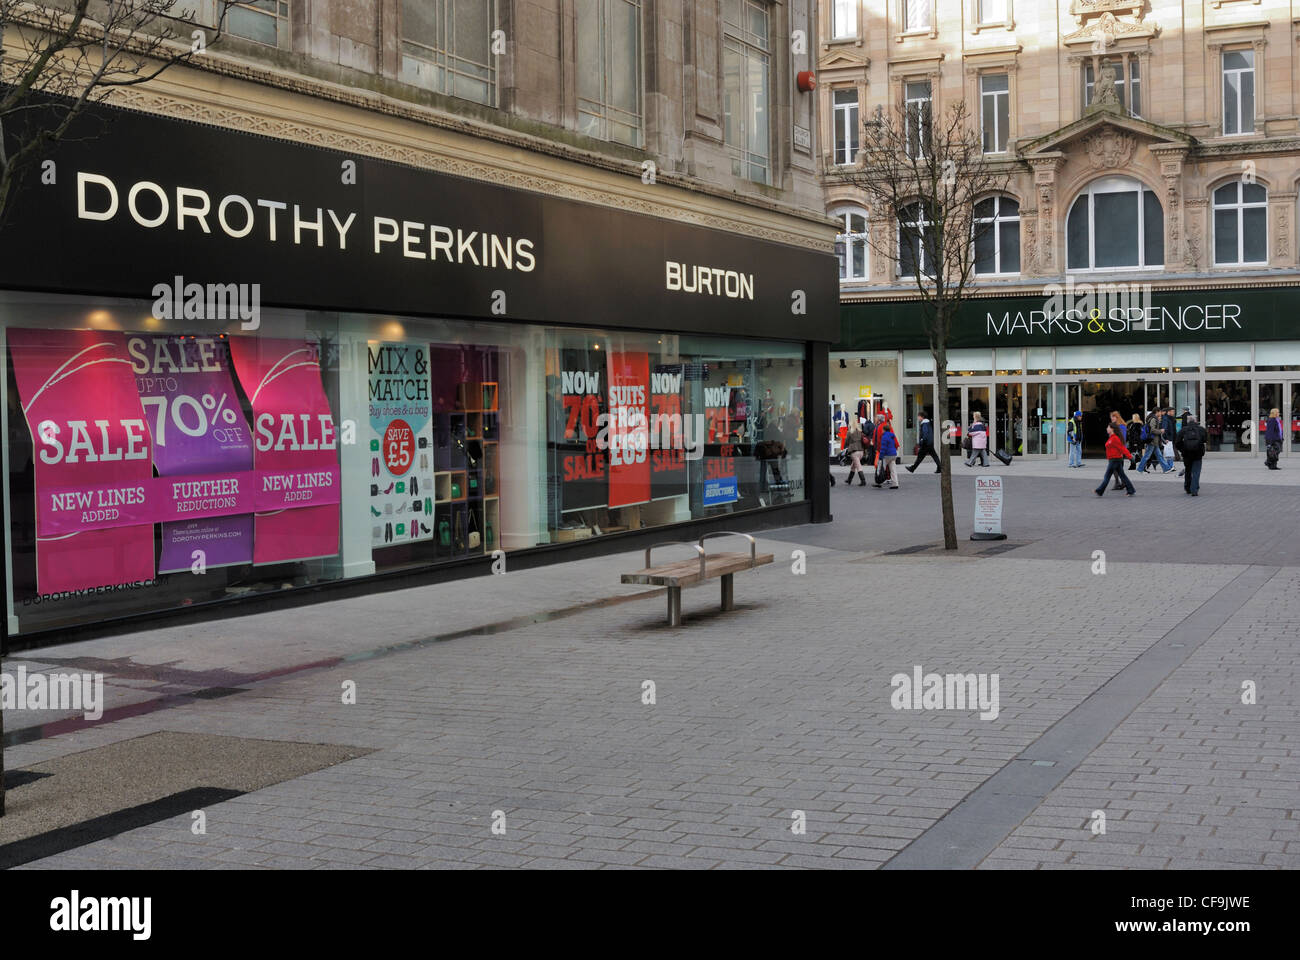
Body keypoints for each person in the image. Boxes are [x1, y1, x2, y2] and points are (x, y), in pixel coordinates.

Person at [1095, 424, 1136, 496]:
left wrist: (1130, 457)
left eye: (1108, 427)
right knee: (1122, 476)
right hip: (1114, 459)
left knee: (1107, 476)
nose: (1106, 428)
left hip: (1115, 460)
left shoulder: (1115, 438)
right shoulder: (1111, 438)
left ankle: (1100, 490)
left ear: (1112, 429)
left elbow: (1122, 448)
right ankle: (1131, 490)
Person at [1176, 414, 1208, 496]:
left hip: (1186, 454)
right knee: (1196, 472)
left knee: (1188, 470)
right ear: (1196, 421)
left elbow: (1177, 442)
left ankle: (1187, 488)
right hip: (1198, 454)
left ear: (1187, 421)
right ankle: (1194, 489)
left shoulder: (1183, 430)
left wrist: (1182, 450)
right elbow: (1205, 440)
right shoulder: (1201, 429)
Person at [1137, 409, 1173, 473]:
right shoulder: (1153, 419)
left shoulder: (1153, 418)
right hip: (1152, 440)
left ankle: (1166, 468)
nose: (1161, 413)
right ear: (1157, 412)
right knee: (1147, 455)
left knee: (1159, 456)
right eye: (1160, 412)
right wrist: (1160, 431)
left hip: (1154, 441)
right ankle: (1140, 468)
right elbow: (1152, 430)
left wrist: (1163, 440)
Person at [875, 420, 901, 488]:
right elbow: (895, 444)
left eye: (882, 430)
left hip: (887, 455)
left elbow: (883, 447)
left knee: (880, 468)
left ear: (884, 430)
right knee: (893, 469)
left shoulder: (884, 437)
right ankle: (895, 484)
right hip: (893, 454)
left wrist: (880, 457)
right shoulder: (892, 436)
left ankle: (879, 482)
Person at [843, 422, 866, 486]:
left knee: (858, 466)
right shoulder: (860, 432)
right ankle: (849, 480)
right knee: (853, 466)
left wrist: (845, 448)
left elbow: (846, 442)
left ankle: (863, 481)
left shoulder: (849, 432)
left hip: (854, 451)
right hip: (861, 451)